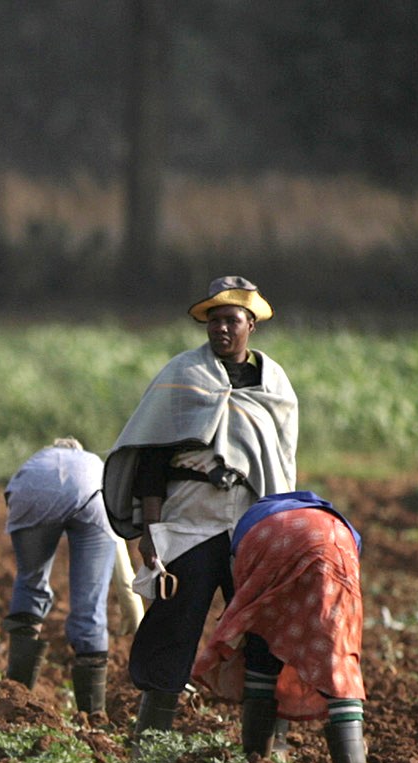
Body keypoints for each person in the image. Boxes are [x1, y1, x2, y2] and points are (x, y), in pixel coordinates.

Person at [101, 275, 299, 731]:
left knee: (263, 631)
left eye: (232, 320)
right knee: (173, 624)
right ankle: (152, 737)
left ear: (252, 325)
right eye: (214, 320)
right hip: (189, 521)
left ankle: (267, 748)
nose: (221, 329)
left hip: (252, 526)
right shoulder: (182, 375)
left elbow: (281, 462)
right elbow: (151, 455)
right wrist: (151, 529)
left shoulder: (274, 386)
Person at [190, 491, 368, 763]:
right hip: (338, 544)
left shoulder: (256, 520)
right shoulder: (332, 518)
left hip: (268, 543)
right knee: (338, 657)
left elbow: (244, 597)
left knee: (262, 639)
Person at [0, 438, 141, 715]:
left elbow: (12, 494)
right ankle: (92, 714)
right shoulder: (94, 465)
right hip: (90, 499)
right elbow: (121, 563)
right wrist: (133, 608)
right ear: (79, 449)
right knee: (89, 607)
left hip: (31, 495)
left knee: (30, 581)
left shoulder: (38, 461)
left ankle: (16, 694)